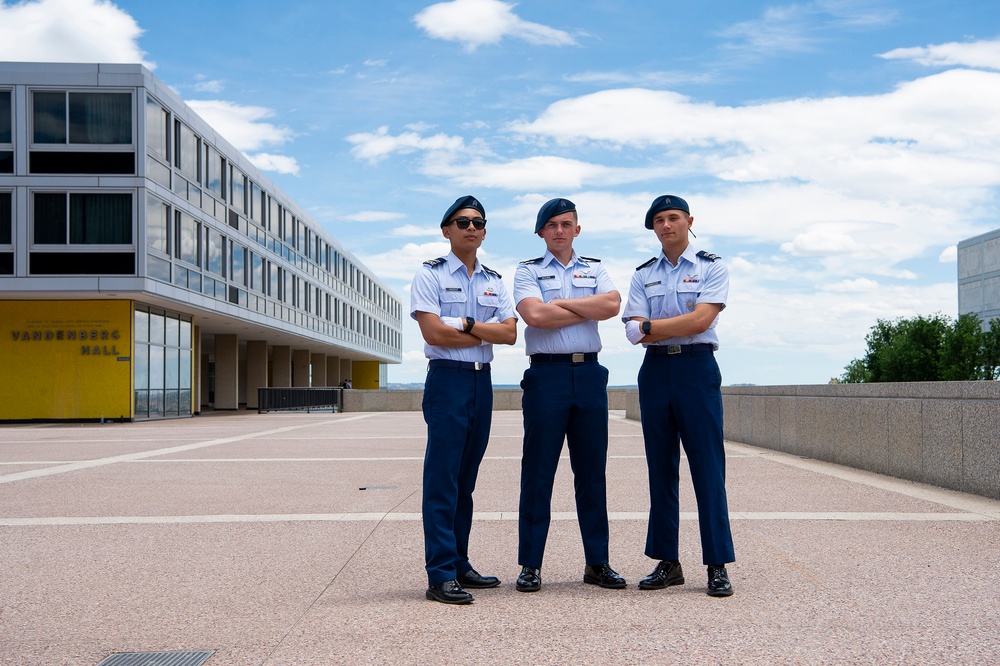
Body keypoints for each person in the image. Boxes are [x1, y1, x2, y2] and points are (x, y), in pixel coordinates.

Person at [622, 194, 736, 597]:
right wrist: (666, 326)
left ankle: (717, 564)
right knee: (661, 468)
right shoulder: (643, 274)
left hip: (696, 367)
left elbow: (704, 319)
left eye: (673, 218)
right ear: (653, 227)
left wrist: (654, 326)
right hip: (655, 372)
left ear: (689, 220)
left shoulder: (711, 266)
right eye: (658, 220)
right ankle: (667, 562)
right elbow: (634, 332)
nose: (666, 225)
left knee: (707, 467)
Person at [409, 195, 518, 605]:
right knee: (443, 480)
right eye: (461, 222)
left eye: (477, 222)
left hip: (481, 382)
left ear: (484, 231)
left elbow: (509, 334)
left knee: (466, 481)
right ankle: (439, 573)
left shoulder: (493, 279)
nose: (470, 227)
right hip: (447, 381)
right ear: (446, 230)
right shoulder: (430, 275)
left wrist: (468, 324)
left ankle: (459, 563)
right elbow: (434, 334)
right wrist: (482, 330)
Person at [513, 197, 625, 593]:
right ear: (541, 232)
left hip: (590, 375)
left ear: (577, 229)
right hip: (547, 377)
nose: (559, 230)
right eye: (551, 225)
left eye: (566, 224)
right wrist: (585, 308)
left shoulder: (595, 268)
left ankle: (597, 563)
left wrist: (559, 302)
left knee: (592, 474)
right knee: (538, 473)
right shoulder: (527, 271)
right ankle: (530, 565)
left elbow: (612, 305)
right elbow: (535, 316)